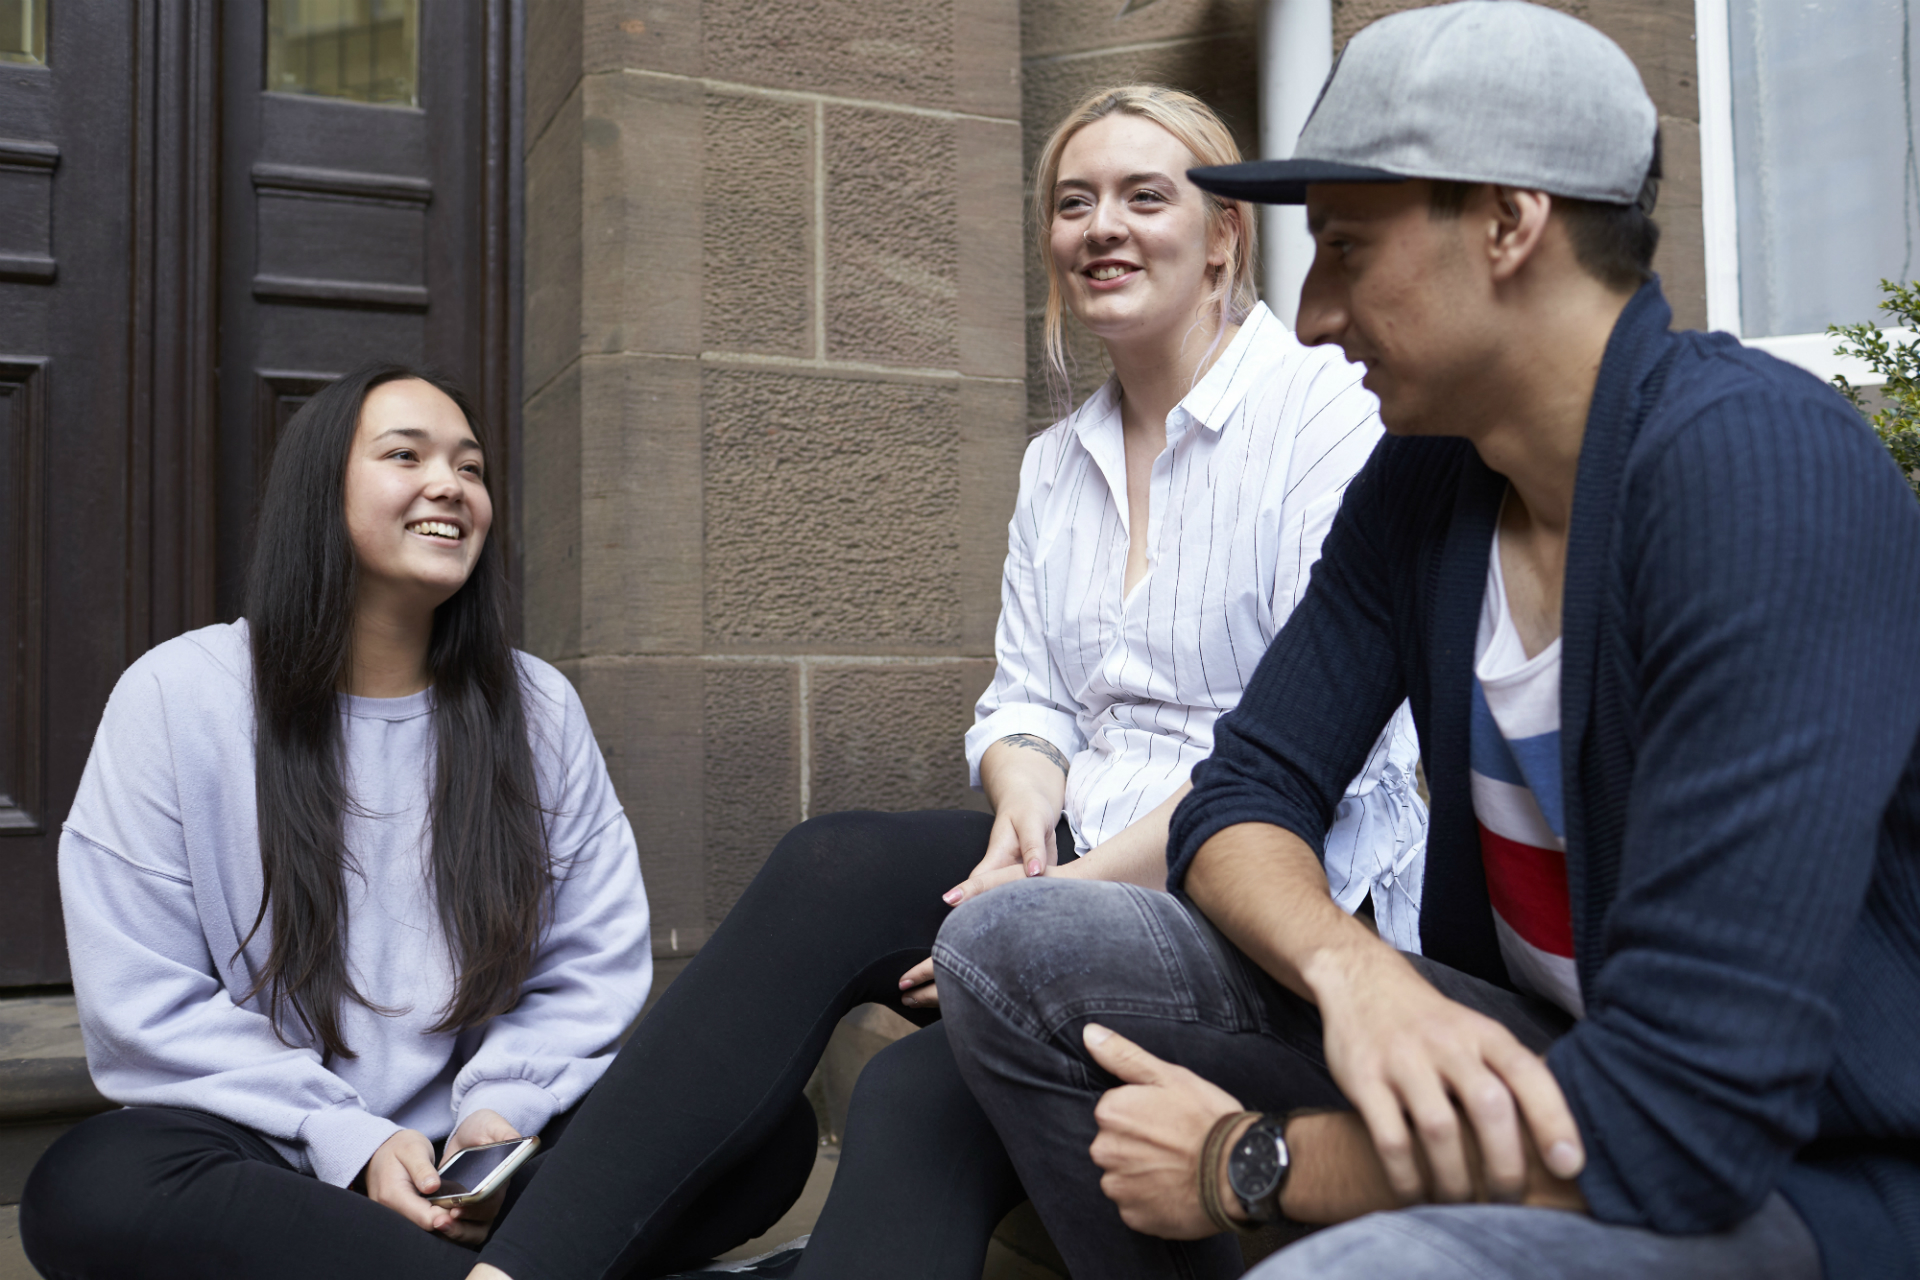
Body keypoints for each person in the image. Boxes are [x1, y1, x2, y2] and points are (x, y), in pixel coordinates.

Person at [935, 6, 1920, 1280]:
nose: (1319, 311)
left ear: (1511, 222)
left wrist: (1250, 1160)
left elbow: (1688, 1120)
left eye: (1345, 247)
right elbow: (1243, 794)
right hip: (1519, 1053)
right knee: (1012, 947)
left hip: (1796, 1171)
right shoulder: (1428, 482)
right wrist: (1358, 974)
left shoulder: (1759, 475)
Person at [461, 85, 1424, 1280]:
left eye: (1144, 196)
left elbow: (1289, 764)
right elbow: (1028, 699)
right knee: (833, 864)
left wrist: (1039, 904)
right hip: (1080, 838)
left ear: (1226, 232)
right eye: (1073, 204)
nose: (1100, 228)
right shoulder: (1055, 462)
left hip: (1257, 898)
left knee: (926, 1084)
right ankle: (515, 1266)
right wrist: (1021, 807)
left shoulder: (1321, 413)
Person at [18, 365, 671, 1277]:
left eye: (471, 468)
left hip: (486, 1145)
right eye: (406, 455)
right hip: (279, 1143)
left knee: (763, 1136)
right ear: (320, 493)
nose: (450, 484)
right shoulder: (178, 694)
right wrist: (351, 1140)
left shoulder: (536, 705)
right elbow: (144, 998)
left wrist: (500, 1115)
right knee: (87, 1188)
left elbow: (586, 962)